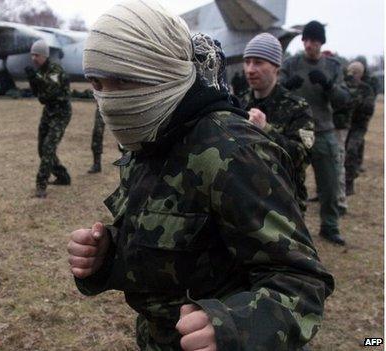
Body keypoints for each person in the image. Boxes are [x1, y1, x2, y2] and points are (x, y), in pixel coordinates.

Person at [67, 2, 334, 350]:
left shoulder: (232, 151)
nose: (108, 99)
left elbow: (302, 282)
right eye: (96, 83)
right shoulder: (148, 134)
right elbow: (175, 239)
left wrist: (233, 328)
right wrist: (108, 253)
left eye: (122, 80)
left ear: (162, 73)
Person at [280, 21, 350, 245]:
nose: (309, 44)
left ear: (322, 42)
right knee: (289, 182)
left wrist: (329, 85)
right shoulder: (291, 64)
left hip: (323, 131)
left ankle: (329, 226)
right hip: (296, 130)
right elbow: (276, 90)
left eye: (314, 41)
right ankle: (290, 227)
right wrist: (287, 86)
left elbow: (345, 101)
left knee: (329, 185)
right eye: (306, 40)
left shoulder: (333, 66)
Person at [240, 33, 315, 213]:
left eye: (258, 62)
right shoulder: (239, 103)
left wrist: (266, 130)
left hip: (284, 205)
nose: (250, 69)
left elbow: (301, 157)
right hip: (245, 201)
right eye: (247, 61)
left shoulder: (297, 108)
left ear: (276, 68)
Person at [25, 40, 72, 198]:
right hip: (49, 111)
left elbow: (49, 93)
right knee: (42, 148)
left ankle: (41, 184)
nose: (33, 58)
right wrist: (33, 81)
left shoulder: (54, 71)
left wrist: (36, 80)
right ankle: (62, 176)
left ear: (44, 55)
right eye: (32, 55)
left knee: (48, 148)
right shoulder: (41, 71)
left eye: (36, 55)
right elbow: (39, 95)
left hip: (61, 113)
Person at [344, 61, 376, 195]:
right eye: (351, 72)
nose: (353, 75)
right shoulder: (343, 86)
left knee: (351, 150)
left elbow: (369, 108)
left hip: (358, 126)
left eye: (356, 72)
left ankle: (349, 183)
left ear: (361, 74)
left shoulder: (366, 89)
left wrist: (355, 99)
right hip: (343, 125)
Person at [88, 106, 104, 173]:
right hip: (103, 104)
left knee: (122, 132)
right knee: (97, 133)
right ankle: (97, 163)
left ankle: (127, 161)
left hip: (120, 103)